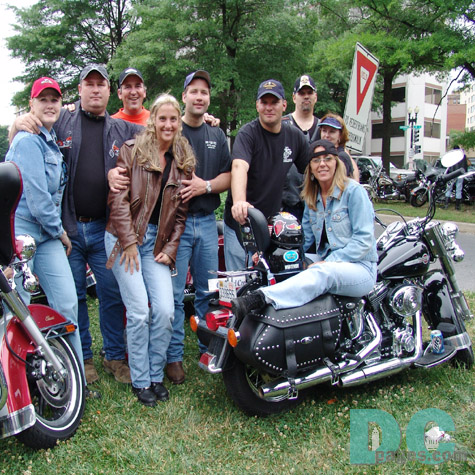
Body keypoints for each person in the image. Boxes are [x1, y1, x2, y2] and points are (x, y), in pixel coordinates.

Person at [10, 64, 142, 386]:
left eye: (101, 84)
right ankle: (82, 359)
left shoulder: (121, 128)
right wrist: (15, 123)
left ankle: (114, 356)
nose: (95, 89)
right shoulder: (62, 120)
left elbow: (160, 133)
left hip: (103, 228)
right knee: (74, 297)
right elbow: (28, 133)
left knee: (111, 293)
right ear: (80, 90)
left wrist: (202, 121)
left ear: (109, 91)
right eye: (89, 84)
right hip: (65, 229)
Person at [104, 94, 195, 407]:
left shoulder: (183, 158)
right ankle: (141, 380)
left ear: (179, 122)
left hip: (157, 244)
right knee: (140, 311)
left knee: (166, 311)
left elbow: (180, 215)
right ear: (153, 120)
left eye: (173, 119)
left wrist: (170, 249)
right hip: (123, 238)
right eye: (162, 118)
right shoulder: (132, 150)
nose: (167, 124)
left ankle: (156, 374)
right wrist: (129, 241)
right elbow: (117, 200)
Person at [231, 139, 377, 317]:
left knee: (323, 272)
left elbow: (363, 241)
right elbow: (304, 241)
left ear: (336, 163)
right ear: (311, 168)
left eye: (327, 159)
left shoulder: (354, 192)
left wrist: (329, 262)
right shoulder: (312, 197)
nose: (322, 164)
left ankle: (262, 298)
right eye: (316, 160)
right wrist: (270, 254)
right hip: (326, 259)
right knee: (281, 261)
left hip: (360, 267)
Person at [5, 77, 83, 371]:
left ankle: (73, 375)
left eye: (55, 100)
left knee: (66, 304)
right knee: (17, 307)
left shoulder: (50, 138)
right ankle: (17, 377)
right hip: (23, 231)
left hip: (47, 234)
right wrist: (61, 232)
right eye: (43, 100)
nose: (50, 105)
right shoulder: (26, 140)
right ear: (31, 104)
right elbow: (37, 199)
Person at [223, 79, 309, 271]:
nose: (269, 107)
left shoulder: (294, 137)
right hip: (241, 223)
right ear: (257, 106)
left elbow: (313, 170)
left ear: (284, 105)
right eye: (264, 102)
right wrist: (239, 202)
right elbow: (239, 166)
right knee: (239, 279)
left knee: (268, 278)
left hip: (270, 225)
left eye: (274, 102)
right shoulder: (248, 134)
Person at [282, 75, 319, 221]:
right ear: (294, 97)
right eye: (301, 93)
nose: (306, 96)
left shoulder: (324, 128)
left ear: (315, 97)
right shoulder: (281, 125)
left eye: (309, 93)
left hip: (316, 203)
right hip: (286, 203)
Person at [318, 113, 359, 181]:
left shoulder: (341, 157)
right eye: (324, 131)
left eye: (332, 132)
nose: (327, 135)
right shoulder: (321, 154)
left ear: (340, 135)